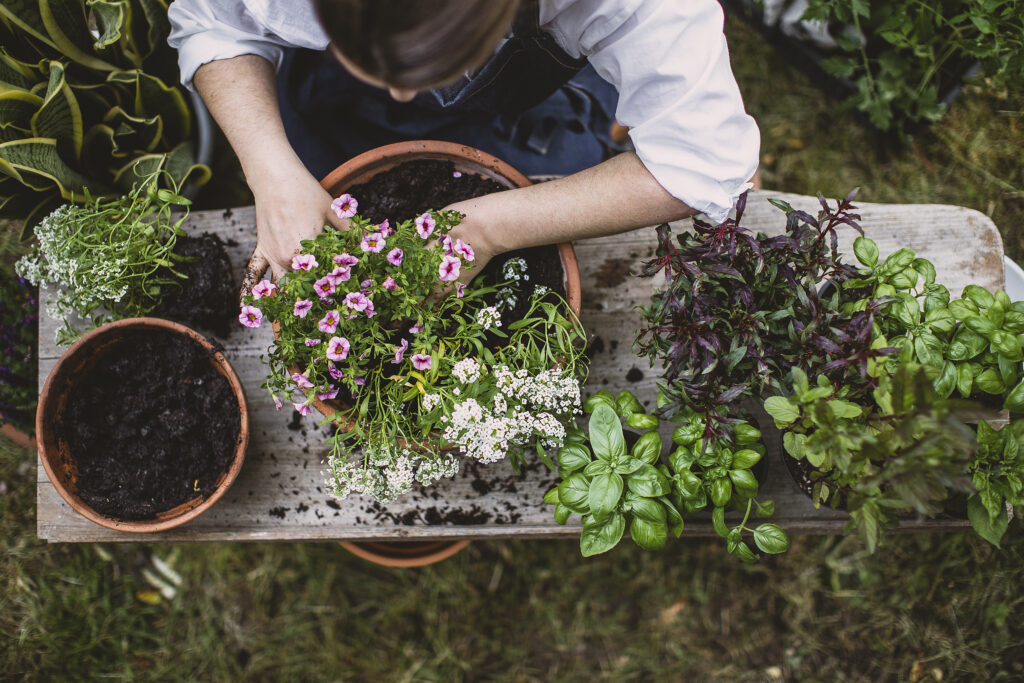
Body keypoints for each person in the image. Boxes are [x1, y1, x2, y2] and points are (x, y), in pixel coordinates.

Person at [167, 0, 760, 290]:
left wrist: (487, 228)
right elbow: (211, 20)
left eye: (428, 65)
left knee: (571, 166)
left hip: (521, 109)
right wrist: (270, 169)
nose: (402, 95)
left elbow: (702, 161)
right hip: (326, 99)